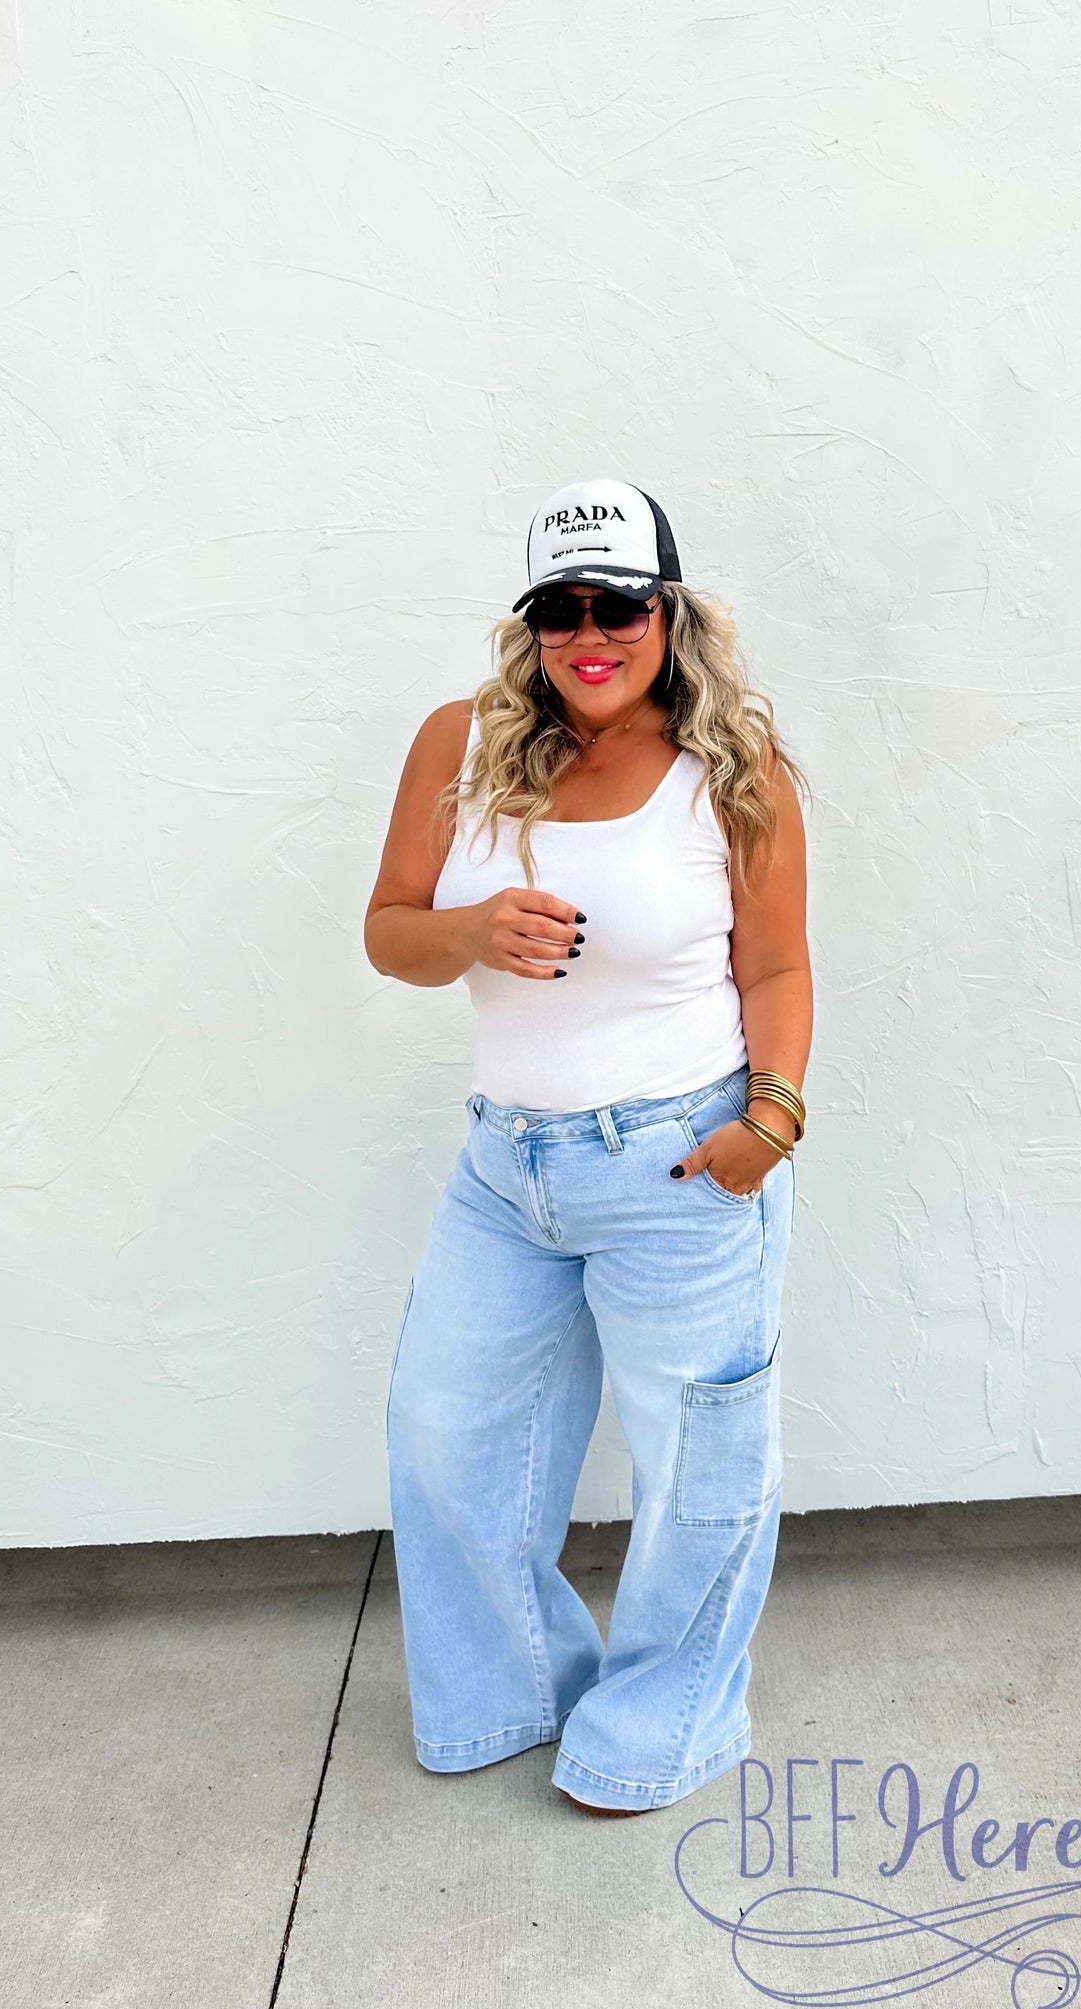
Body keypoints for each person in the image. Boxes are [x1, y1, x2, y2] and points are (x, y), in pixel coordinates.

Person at [363, 477, 813, 1815]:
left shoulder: (732, 771)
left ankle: (661, 1723)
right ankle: (513, 1690)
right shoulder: (460, 743)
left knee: (697, 1465)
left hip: (679, 1163)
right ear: (531, 625)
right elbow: (390, 933)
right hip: (505, 1173)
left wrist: (769, 1123)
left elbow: (777, 966)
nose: (589, 634)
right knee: (445, 1435)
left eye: (617, 604)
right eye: (559, 609)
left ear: (669, 613)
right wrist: (471, 931)